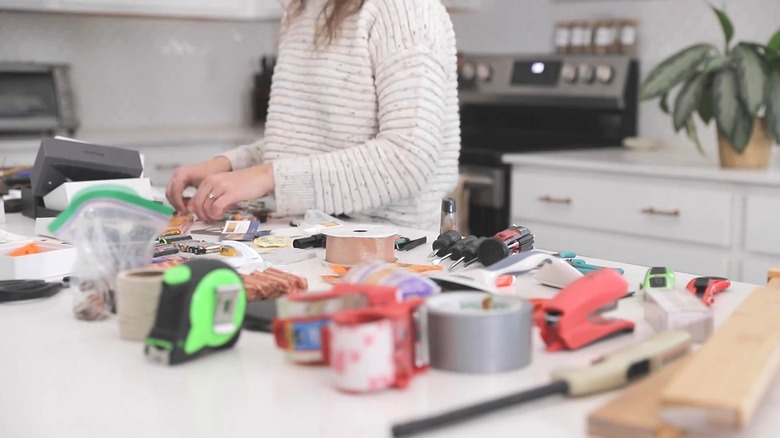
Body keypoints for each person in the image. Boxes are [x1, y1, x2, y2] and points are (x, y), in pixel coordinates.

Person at [166, 0, 460, 231]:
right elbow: (310, 147)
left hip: (389, 253)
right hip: (309, 238)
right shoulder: (304, 8)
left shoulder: (407, 10)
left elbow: (407, 158)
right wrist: (230, 165)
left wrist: (268, 177)